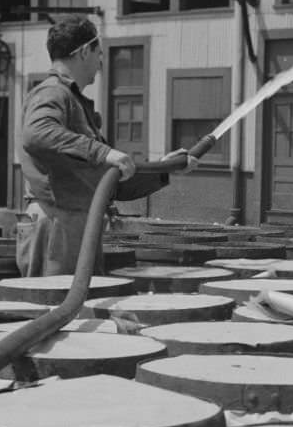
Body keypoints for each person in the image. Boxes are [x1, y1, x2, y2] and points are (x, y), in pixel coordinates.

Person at [19, 15, 192, 276]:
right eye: (98, 54)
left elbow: (108, 182)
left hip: (73, 223)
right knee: (54, 306)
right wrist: (104, 152)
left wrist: (166, 169)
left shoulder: (70, 100)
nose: (101, 64)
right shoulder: (53, 92)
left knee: (74, 308)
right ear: (83, 52)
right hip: (56, 223)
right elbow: (37, 133)